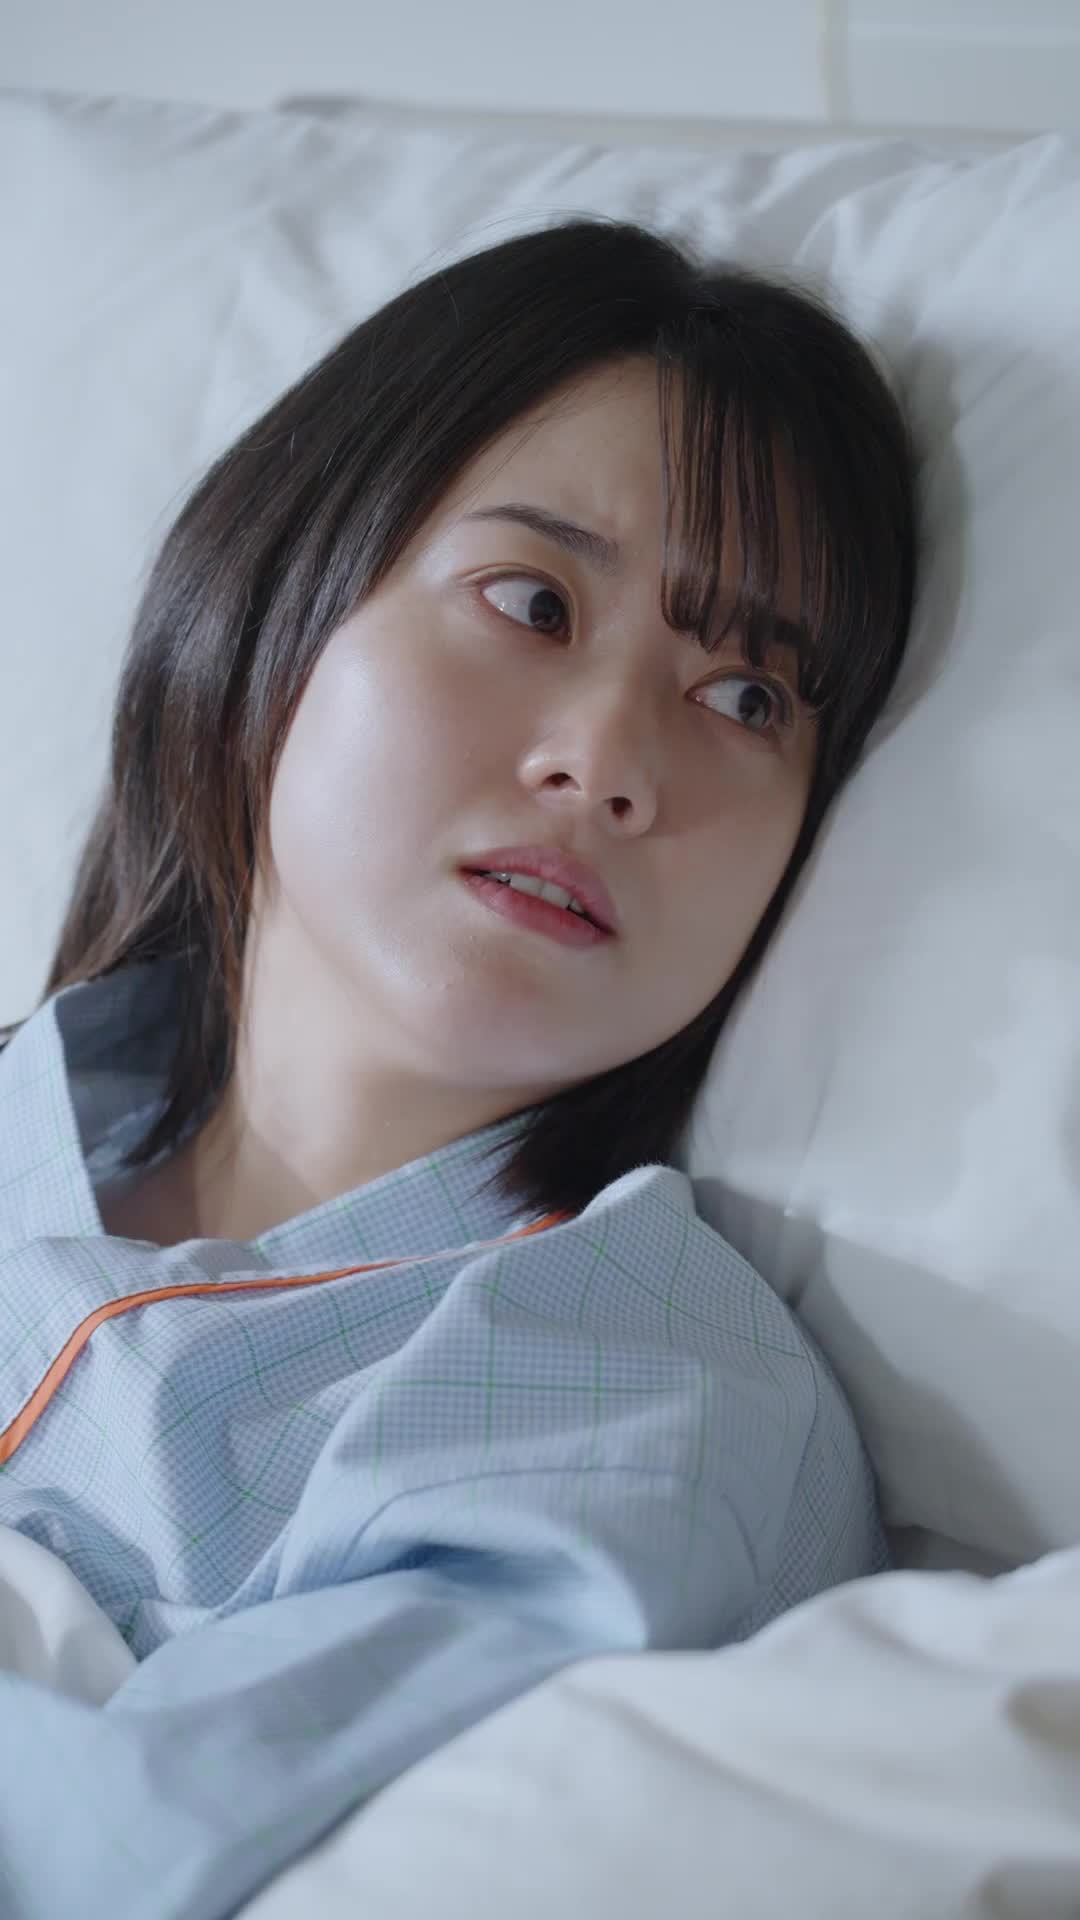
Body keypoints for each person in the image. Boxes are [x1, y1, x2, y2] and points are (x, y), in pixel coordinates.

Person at [0, 216, 917, 1919]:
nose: (610, 760)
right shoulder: (36, 1114)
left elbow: (128, 1857)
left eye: (747, 698)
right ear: (279, 585)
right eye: (534, 602)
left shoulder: (644, 1400)